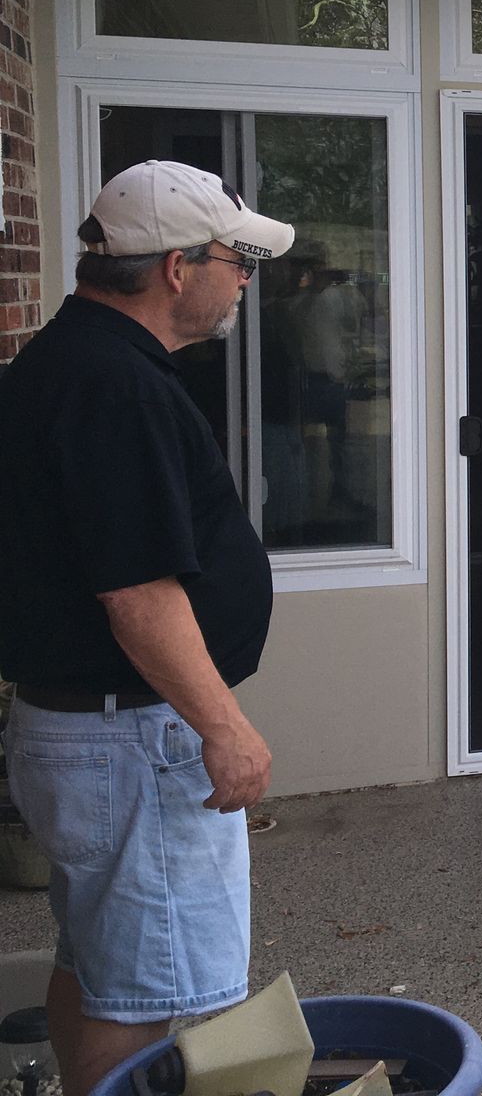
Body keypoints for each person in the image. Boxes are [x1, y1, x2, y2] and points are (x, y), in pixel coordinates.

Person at [0, 160, 294, 1095]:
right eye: (238, 258)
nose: (245, 276)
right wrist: (223, 726)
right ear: (177, 267)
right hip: (129, 739)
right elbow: (137, 593)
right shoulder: (112, 387)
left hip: (93, 732)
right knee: (139, 999)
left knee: (97, 967)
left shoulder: (73, 362)